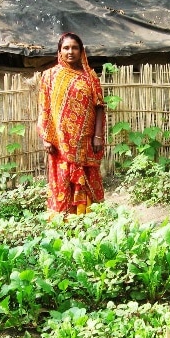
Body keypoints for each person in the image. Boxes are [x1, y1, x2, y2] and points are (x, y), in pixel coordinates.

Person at [38, 32, 106, 214]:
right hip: (60, 143)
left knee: (87, 176)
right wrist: (46, 137)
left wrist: (98, 136)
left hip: (85, 140)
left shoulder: (90, 77)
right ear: (59, 51)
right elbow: (44, 107)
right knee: (62, 178)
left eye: (75, 48)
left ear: (81, 51)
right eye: (66, 48)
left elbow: (99, 106)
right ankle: (64, 219)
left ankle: (89, 217)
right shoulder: (50, 76)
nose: (70, 52)